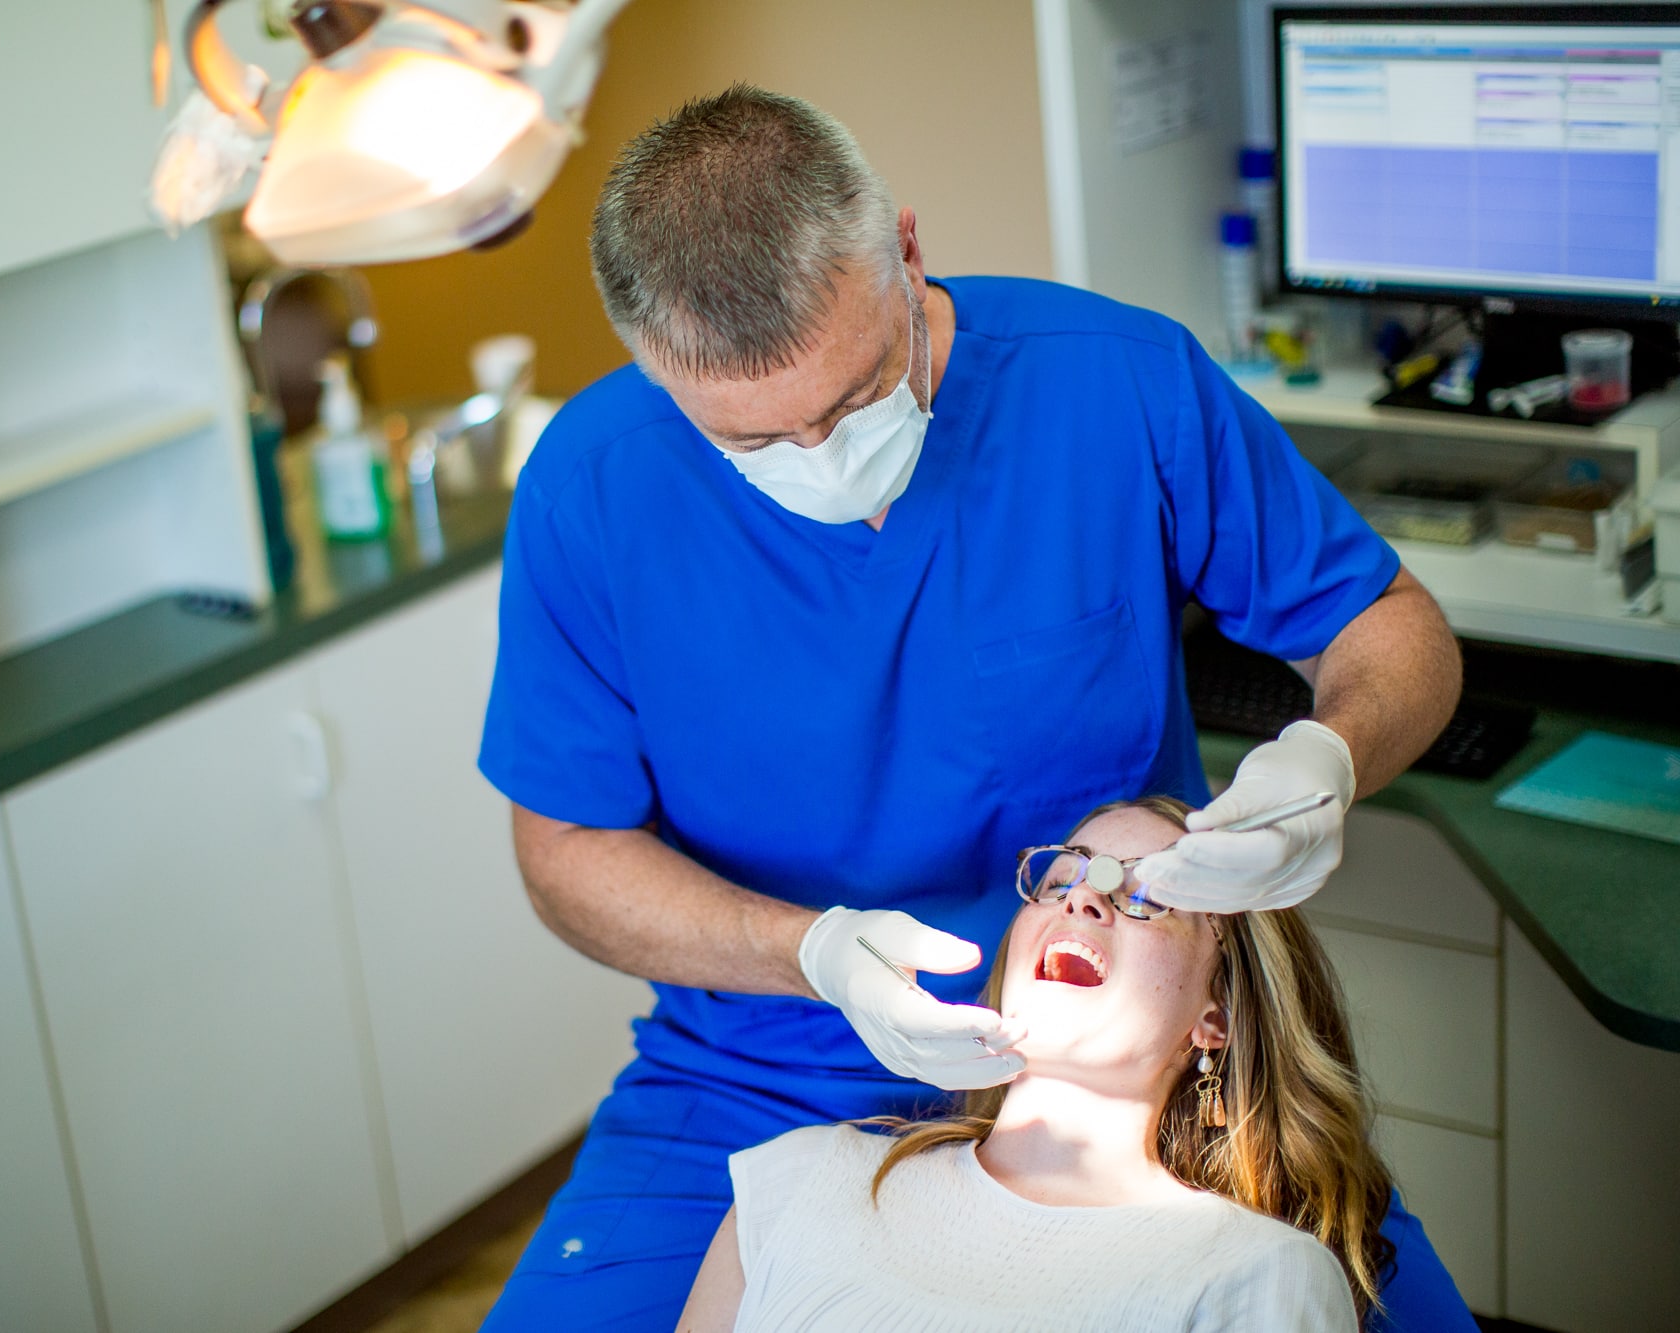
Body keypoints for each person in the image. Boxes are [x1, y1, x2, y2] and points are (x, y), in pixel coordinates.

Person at [477, 85, 1471, 1329]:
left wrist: (1336, 750)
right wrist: (811, 955)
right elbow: (563, 853)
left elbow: (1390, 631)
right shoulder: (594, 484)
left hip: (1137, 1096)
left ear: (904, 251)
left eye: (847, 402)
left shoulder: (1115, 387)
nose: (819, 459)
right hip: (761, 1073)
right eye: (755, 444)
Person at [677, 797, 1386, 1332]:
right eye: (1060, 877)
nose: (1083, 896)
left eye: (1147, 895)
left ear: (1218, 1016)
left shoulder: (1255, 1274)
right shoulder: (800, 1178)